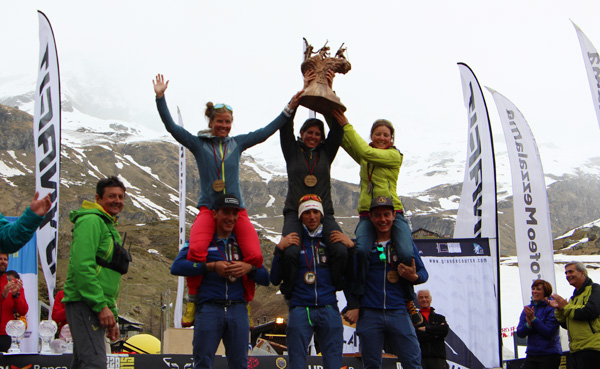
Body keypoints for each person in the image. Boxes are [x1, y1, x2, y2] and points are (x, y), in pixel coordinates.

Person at [153, 74, 303, 325]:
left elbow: (266, 131)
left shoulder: (238, 142)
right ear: (211, 122)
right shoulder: (198, 144)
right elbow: (172, 128)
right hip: (208, 209)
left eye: (228, 122)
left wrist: (289, 108)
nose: (224, 126)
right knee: (197, 253)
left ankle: (245, 302)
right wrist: (160, 98)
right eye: (219, 122)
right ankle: (192, 301)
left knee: (253, 256)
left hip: (237, 210)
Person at [331, 109, 421, 324]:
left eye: (386, 135)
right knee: (360, 250)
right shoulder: (366, 157)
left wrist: (346, 123)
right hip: (366, 214)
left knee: (406, 251)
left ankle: (408, 298)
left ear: (392, 139)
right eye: (377, 134)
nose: (381, 138)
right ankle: (358, 298)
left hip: (393, 213)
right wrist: (331, 114)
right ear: (371, 136)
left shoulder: (394, 155)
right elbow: (347, 142)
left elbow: (363, 150)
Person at [170, 194, 269, 369]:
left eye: (234, 213)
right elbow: (177, 267)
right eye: (225, 212)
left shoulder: (244, 244)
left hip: (238, 309)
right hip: (208, 309)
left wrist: (249, 269)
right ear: (214, 214)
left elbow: (266, 278)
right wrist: (210, 267)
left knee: (239, 364)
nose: (230, 218)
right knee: (202, 362)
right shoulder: (201, 241)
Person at [279, 70, 348, 298]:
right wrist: (297, 100)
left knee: (340, 248)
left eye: (318, 134)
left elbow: (337, 130)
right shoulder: (292, 151)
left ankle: (336, 284)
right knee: (290, 251)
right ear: (302, 133)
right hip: (294, 213)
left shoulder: (327, 153)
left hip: (324, 213)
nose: (314, 136)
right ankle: (288, 288)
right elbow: (284, 128)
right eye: (310, 132)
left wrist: (327, 91)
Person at [343, 196, 428, 369]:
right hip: (369, 313)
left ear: (393, 216)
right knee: (371, 364)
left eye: (387, 215)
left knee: (412, 361)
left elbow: (423, 273)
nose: (383, 220)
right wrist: (353, 304)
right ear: (371, 218)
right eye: (378, 215)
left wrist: (414, 278)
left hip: (398, 311)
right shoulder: (362, 247)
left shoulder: (405, 245)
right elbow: (348, 278)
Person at [271, 194, 353, 369]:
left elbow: (350, 274)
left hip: (328, 307)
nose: (312, 216)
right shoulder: (293, 242)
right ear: (300, 216)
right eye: (307, 213)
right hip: (300, 308)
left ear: (322, 214)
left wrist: (351, 247)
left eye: (316, 212)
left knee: (333, 362)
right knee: (297, 361)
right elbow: (274, 278)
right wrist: (279, 250)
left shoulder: (331, 243)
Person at [62, 176, 127, 369]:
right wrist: (100, 306)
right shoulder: (91, 221)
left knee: (83, 362)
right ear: (98, 198)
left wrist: (112, 314)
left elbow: (108, 274)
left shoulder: (107, 225)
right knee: (94, 363)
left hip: (95, 303)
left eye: (121, 197)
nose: (117, 201)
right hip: (85, 302)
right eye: (112, 196)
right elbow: (82, 266)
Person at [548, 262, 600, 368]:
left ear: (582, 272)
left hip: (593, 349)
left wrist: (565, 307)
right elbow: (567, 324)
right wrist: (559, 309)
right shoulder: (573, 298)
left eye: (571, 271)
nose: (567, 275)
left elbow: (590, 312)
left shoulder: (595, 289)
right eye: (566, 273)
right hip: (576, 350)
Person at [515, 279, 561, 369]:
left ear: (546, 292)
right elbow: (520, 333)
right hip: (532, 354)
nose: (534, 291)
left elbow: (549, 332)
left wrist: (534, 320)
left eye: (538, 289)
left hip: (549, 354)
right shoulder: (528, 309)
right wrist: (528, 325)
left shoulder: (552, 309)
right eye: (533, 289)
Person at [416, 289, 449, 369]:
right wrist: (435, 335)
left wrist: (425, 328)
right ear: (418, 300)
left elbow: (444, 330)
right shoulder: (414, 319)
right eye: (421, 297)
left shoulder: (440, 318)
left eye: (426, 297)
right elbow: (417, 335)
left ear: (430, 299)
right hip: (420, 359)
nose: (424, 299)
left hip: (438, 359)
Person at [0, 258, 28, 352]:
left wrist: (16, 296)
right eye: (0, 259)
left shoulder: (13, 282)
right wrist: (3, 296)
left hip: (6, 335)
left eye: (5, 259)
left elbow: (23, 310)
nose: (3, 261)